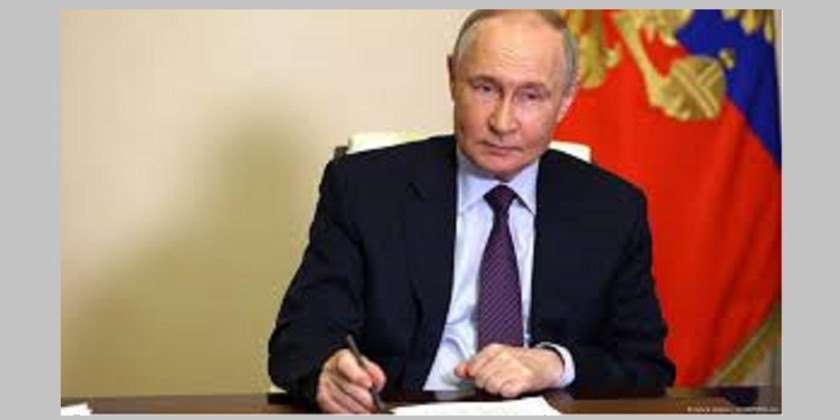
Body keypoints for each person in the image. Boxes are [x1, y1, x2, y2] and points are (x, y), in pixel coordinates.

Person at [268, 10, 675, 414]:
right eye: (485, 88)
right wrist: (327, 372)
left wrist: (555, 364)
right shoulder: (365, 189)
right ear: (452, 77)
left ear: (566, 98)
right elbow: (299, 338)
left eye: (531, 96)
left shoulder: (613, 209)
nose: (503, 121)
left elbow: (646, 366)